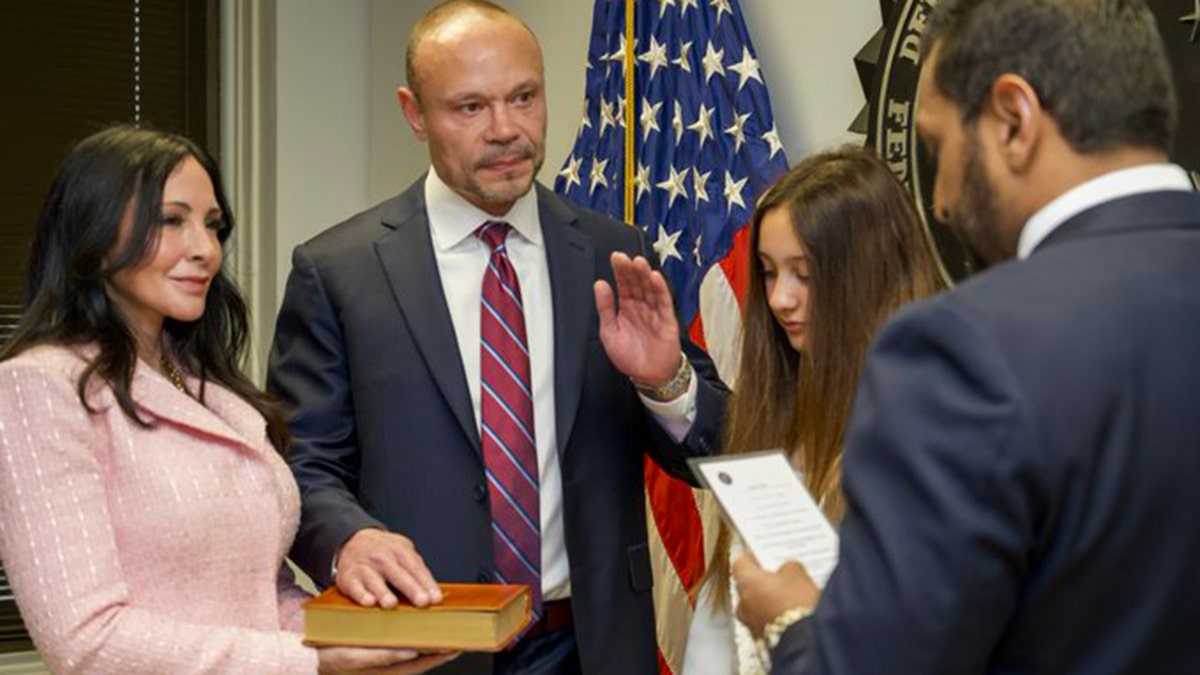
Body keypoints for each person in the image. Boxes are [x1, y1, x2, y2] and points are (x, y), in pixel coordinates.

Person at [733, 0, 1200, 672]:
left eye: (938, 147)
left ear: (1014, 120)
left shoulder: (962, 349)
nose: (943, 199)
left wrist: (791, 617)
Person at [266, 1, 729, 673]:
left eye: (523, 97)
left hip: (593, 646)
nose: (507, 130)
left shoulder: (613, 252)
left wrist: (666, 382)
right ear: (414, 113)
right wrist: (351, 540)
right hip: (425, 641)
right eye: (470, 108)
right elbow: (302, 464)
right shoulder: (339, 271)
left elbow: (720, 443)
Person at [0, 125, 457, 674]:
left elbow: (261, 596)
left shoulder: (214, 392)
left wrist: (370, 639)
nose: (206, 250)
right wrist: (314, 662)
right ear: (92, 236)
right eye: (172, 221)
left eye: (213, 226)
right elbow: (86, 642)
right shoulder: (39, 386)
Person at [681, 147, 946, 675]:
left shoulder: (930, 426)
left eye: (804, 274)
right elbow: (720, 611)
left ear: (868, 275)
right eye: (769, 272)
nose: (779, 299)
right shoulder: (777, 405)